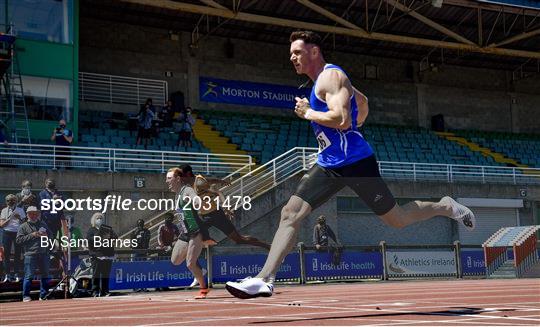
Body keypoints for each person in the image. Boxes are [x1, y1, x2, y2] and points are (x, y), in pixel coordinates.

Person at [225, 30, 476, 299]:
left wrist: (309, 113)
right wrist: (355, 121)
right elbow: (362, 102)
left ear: (314, 51)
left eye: (297, 52)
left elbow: (342, 119)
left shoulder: (331, 76)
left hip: (357, 163)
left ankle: (446, 205)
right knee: (290, 213)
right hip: (330, 163)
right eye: (291, 54)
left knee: (397, 220)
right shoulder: (323, 82)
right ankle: (265, 279)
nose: (293, 58)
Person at [166, 167, 209, 299]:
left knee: (190, 263)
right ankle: (200, 270)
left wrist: (197, 202)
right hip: (185, 233)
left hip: (196, 231)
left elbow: (195, 198)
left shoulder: (187, 190)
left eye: (169, 178)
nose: (167, 181)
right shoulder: (177, 194)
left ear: (178, 179)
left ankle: (203, 289)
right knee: (175, 260)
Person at [16, 206, 51, 302]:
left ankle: (43, 295)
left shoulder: (43, 224)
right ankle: (26, 295)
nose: (33, 215)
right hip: (30, 254)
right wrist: (32, 235)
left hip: (43, 253)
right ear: (27, 214)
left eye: (35, 213)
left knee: (45, 275)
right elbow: (18, 240)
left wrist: (47, 236)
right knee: (29, 276)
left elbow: (51, 236)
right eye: (31, 213)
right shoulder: (23, 226)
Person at [86, 212, 117, 297]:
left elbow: (115, 237)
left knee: (105, 274)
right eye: (97, 218)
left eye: (101, 218)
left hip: (107, 255)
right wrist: (99, 236)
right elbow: (89, 239)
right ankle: (95, 291)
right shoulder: (91, 230)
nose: (99, 220)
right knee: (96, 274)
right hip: (96, 255)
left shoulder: (107, 229)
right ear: (94, 220)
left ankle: (105, 291)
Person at [0, 194, 25, 282]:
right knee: (6, 254)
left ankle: (16, 273)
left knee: (18, 254)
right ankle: (7, 274)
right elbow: (2, 225)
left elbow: (25, 224)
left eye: (12, 200)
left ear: (15, 201)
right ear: (6, 202)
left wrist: (19, 218)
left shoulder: (20, 210)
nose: (10, 202)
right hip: (7, 233)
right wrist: (10, 218)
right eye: (8, 200)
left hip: (17, 233)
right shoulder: (4, 210)